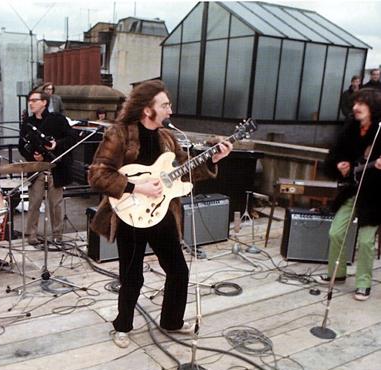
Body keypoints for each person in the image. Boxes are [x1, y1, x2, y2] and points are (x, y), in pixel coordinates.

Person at [88, 80, 233, 348]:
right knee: (132, 276)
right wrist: (136, 186)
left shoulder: (167, 138)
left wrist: (212, 159)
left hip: (162, 212)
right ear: (147, 109)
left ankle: (172, 321)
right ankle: (122, 326)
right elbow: (97, 175)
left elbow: (184, 173)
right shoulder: (119, 134)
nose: (170, 110)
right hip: (130, 214)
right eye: (165, 105)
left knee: (178, 270)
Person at [322, 88, 381, 301]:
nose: (355, 107)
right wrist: (340, 165)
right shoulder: (350, 128)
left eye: (361, 104)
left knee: (365, 242)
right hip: (352, 190)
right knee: (335, 233)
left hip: (375, 197)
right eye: (355, 103)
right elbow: (335, 156)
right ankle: (337, 274)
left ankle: (363, 283)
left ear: (373, 107)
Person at [18, 90, 76, 245]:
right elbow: (21, 146)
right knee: (34, 203)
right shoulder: (27, 123)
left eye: (34, 100)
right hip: (37, 168)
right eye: (29, 100)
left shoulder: (58, 119)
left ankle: (57, 235)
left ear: (44, 102)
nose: (30, 103)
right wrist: (33, 156)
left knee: (55, 204)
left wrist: (56, 144)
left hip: (55, 168)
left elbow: (72, 137)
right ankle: (31, 234)